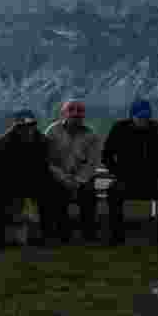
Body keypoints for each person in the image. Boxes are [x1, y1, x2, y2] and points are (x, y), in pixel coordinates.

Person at [102, 98, 158, 246]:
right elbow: (107, 155)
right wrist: (118, 173)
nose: (143, 120)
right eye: (140, 117)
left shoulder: (156, 129)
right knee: (113, 191)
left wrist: (156, 174)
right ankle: (116, 236)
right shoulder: (119, 128)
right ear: (132, 115)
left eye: (146, 117)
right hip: (125, 179)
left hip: (151, 179)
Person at [0, 109, 50, 250]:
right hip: (8, 183)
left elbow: (46, 166)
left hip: (33, 182)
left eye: (31, 125)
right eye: (23, 126)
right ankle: (0, 234)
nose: (27, 129)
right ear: (16, 127)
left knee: (47, 189)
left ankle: (45, 233)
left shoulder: (42, 141)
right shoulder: (3, 142)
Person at [43, 99, 104, 243]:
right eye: (71, 111)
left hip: (82, 180)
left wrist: (77, 180)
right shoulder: (52, 131)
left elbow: (92, 162)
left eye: (79, 112)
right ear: (63, 113)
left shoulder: (91, 135)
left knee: (89, 195)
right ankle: (62, 233)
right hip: (58, 178)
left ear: (83, 116)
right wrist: (63, 178)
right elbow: (46, 159)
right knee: (55, 194)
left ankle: (89, 233)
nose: (75, 115)